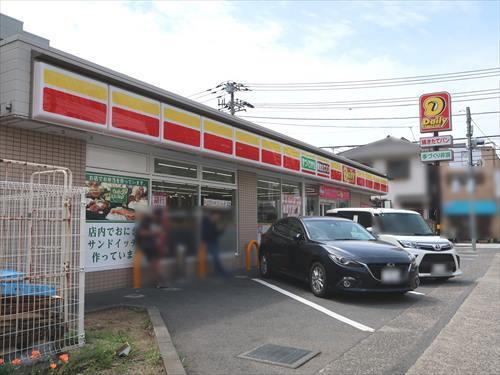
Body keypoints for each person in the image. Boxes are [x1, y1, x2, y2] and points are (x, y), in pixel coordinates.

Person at [201, 209, 228, 277]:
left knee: (216, 257)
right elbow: (206, 234)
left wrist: (221, 230)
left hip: (213, 242)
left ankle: (219, 271)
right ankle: (220, 272)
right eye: (217, 216)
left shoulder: (212, 223)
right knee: (216, 257)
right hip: (209, 242)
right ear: (213, 215)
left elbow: (215, 233)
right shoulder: (206, 222)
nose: (217, 218)